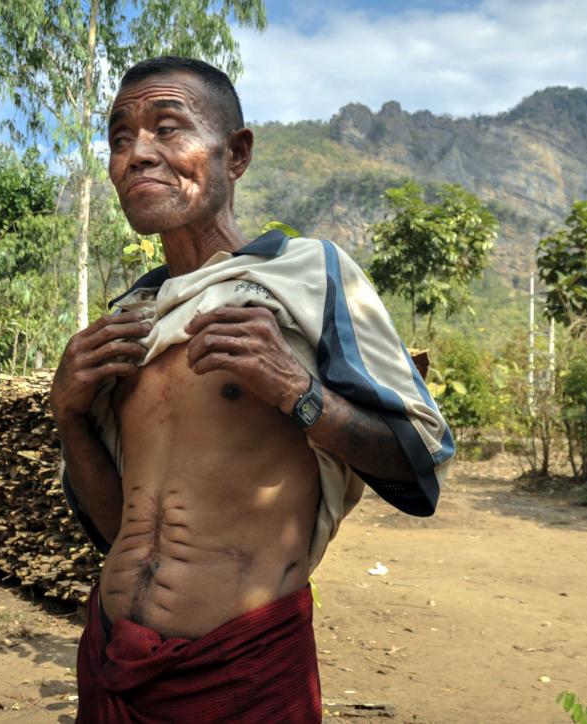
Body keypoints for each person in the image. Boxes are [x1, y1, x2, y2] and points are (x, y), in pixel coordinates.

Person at [50, 56, 453, 724]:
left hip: (243, 674)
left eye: (166, 128)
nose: (137, 154)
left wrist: (299, 391)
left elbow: (419, 468)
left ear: (235, 154)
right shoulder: (128, 320)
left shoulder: (309, 276)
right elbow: (115, 528)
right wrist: (69, 415)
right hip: (110, 662)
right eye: (120, 138)